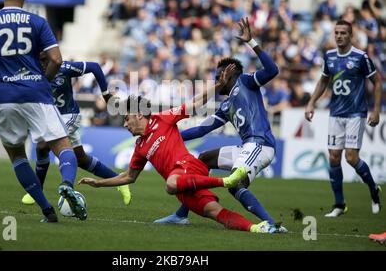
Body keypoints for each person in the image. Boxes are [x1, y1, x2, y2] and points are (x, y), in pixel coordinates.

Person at [0, 0, 86, 222]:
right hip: (36, 93)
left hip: (2, 96)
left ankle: (47, 210)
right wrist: (44, 80)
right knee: (63, 146)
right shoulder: (38, 21)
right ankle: (66, 184)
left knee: (17, 155)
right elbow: (57, 59)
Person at [78, 83, 278, 234]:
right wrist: (98, 183)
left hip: (188, 168)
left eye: (126, 118)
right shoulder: (139, 147)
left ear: (139, 114)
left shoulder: (162, 118)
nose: (124, 124)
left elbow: (194, 103)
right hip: (184, 186)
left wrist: (217, 86)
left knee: (170, 184)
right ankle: (258, 228)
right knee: (214, 212)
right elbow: (129, 177)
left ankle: (226, 181)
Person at [154, 18, 286, 233]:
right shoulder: (226, 106)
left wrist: (251, 41)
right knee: (203, 159)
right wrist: (171, 135)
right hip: (247, 147)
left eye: (219, 76)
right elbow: (202, 129)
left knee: (235, 185)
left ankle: (271, 223)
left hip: (260, 145)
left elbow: (272, 70)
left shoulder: (246, 81)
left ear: (230, 72)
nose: (216, 80)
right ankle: (181, 214)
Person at [21, 54, 132, 206]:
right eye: (40, 61)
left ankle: (46, 189)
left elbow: (95, 67)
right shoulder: (32, 73)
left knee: (42, 147)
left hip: (68, 115)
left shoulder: (64, 68)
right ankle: (119, 181)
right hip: (50, 118)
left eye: (45, 60)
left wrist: (106, 95)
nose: (43, 64)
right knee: (81, 159)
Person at [305, 20, 382, 217]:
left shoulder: (360, 57)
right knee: (333, 157)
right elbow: (323, 81)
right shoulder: (329, 56)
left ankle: (374, 190)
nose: (339, 36)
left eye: (343, 33)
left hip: (356, 113)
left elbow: (377, 81)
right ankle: (339, 204)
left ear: (350, 35)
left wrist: (376, 110)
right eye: (336, 33)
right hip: (335, 113)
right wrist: (311, 102)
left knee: (351, 157)